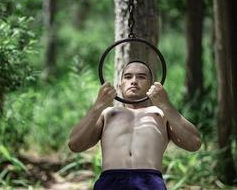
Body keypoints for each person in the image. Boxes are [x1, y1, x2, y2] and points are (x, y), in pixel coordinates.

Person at [68, 61, 201, 190]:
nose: (134, 81)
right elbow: (75, 144)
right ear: (120, 85)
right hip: (110, 181)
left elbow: (194, 143)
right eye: (128, 76)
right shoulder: (107, 113)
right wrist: (98, 105)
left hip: (150, 182)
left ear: (151, 85)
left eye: (141, 77)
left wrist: (166, 104)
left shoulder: (162, 114)